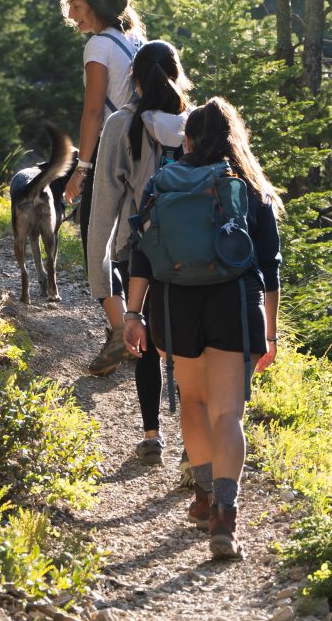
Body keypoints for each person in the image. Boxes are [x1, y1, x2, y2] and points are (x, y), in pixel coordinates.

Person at [122, 97, 283, 560]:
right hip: (232, 302)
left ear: (187, 138)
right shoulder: (247, 186)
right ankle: (225, 517)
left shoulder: (162, 181)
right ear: (234, 139)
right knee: (227, 412)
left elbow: (142, 253)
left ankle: (203, 494)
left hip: (175, 304)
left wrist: (134, 315)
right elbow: (269, 269)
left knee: (192, 400)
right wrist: (269, 334)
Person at [86, 41, 193, 465]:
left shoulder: (121, 124)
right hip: (190, 252)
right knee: (187, 344)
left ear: (133, 78)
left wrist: (101, 273)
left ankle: (152, 437)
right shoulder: (194, 123)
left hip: (139, 253)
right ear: (178, 73)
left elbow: (105, 206)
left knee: (143, 338)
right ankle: (193, 442)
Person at [59, 0, 146, 375]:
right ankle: (138, 328)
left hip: (110, 154)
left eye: (75, 6)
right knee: (130, 244)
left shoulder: (97, 46)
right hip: (143, 154)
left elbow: (93, 111)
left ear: (93, 5)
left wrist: (82, 168)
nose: (71, 14)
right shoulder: (135, 41)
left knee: (98, 243)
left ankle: (118, 333)